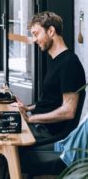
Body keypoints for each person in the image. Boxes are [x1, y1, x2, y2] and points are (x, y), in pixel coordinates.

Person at [17, 11, 86, 143]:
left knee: (4, 137)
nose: (34, 40)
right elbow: (52, 101)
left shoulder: (69, 64)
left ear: (51, 31)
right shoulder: (56, 60)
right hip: (41, 126)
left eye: (36, 34)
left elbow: (68, 111)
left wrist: (30, 119)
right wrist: (27, 108)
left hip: (49, 133)